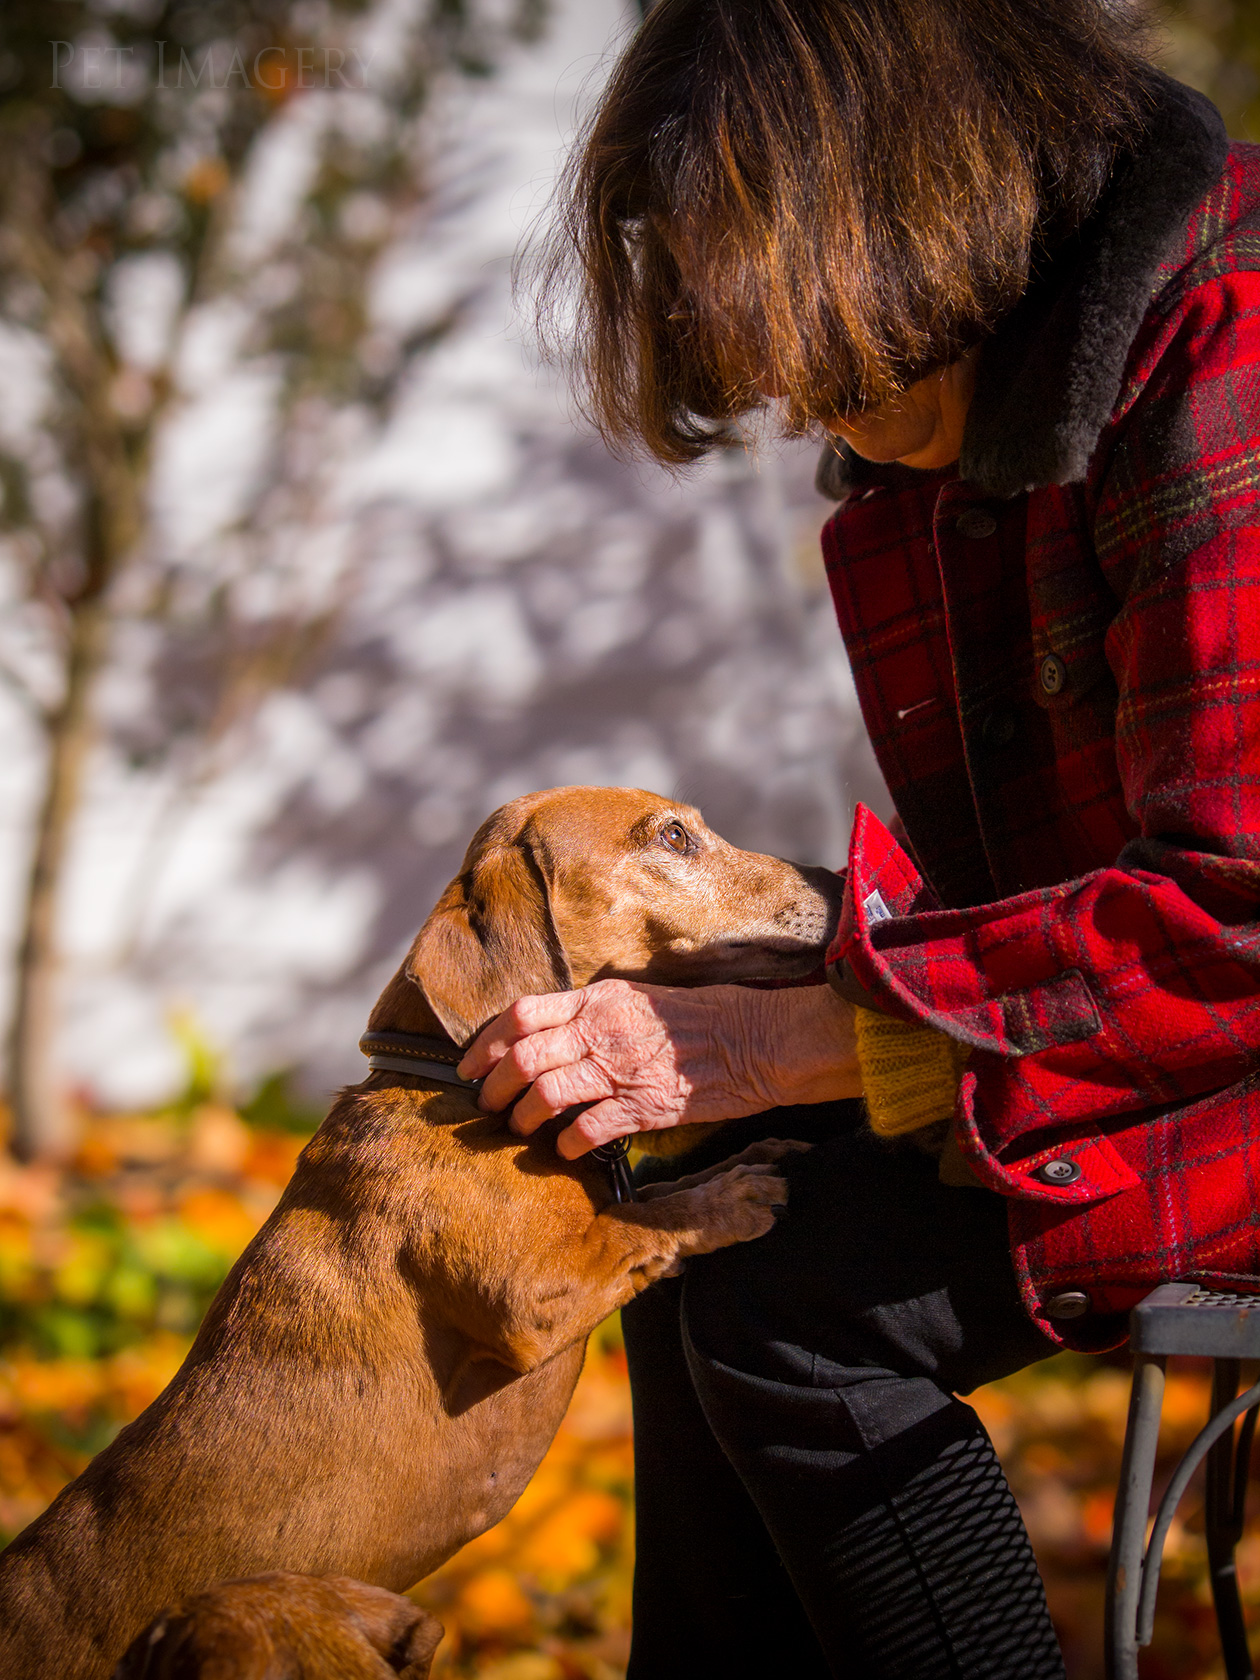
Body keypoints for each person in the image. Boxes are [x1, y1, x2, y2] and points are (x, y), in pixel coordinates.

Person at [457, 2, 1260, 1673]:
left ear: (915, 199)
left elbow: (1239, 918)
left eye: (792, 331)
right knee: (705, 1240)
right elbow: (1050, 899)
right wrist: (786, 983)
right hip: (1180, 1043)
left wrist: (797, 1037)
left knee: (797, 1310)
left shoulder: (1228, 354)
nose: (769, 390)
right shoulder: (967, 433)